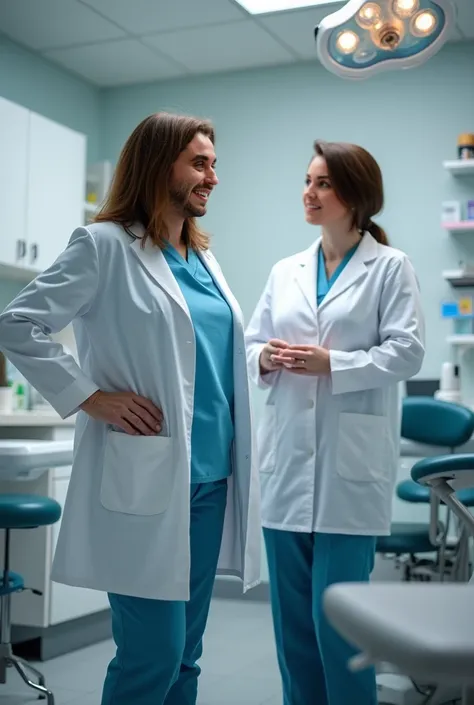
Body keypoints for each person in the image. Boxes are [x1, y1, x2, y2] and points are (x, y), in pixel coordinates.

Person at [0, 112, 261, 705]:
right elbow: (17, 323)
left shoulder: (204, 261)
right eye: (199, 163)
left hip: (211, 479)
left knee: (187, 658)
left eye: (214, 164)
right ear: (156, 164)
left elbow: (203, 365)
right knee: (153, 655)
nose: (212, 177)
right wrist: (91, 397)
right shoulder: (104, 246)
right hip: (147, 476)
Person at [245, 140, 425, 705]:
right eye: (308, 180)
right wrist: (267, 358)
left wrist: (334, 365)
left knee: (340, 629)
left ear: (355, 195)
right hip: (286, 466)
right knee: (293, 633)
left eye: (322, 182)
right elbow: (250, 345)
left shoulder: (389, 267)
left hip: (349, 473)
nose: (309, 191)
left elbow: (408, 352)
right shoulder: (285, 270)